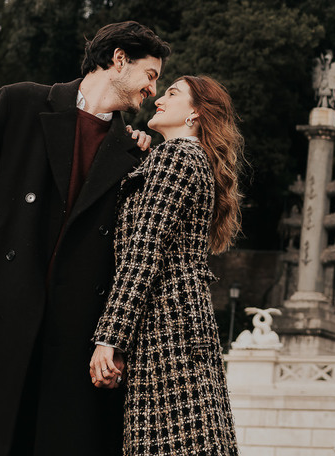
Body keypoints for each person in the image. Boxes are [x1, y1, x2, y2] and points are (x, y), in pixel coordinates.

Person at [0, 21, 170, 456]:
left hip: (68, 337)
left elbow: (135, 246)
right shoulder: (20, 102)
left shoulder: (133, 151)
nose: (152, 90)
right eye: (150, 75)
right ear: (119, 59)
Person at [89, 75, 242, 455]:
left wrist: (110, 338)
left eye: (171, 93)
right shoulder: (183, 159)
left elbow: (143, 250)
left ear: (194, 113)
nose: (158, 99)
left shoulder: (176, 157)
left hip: (166, 325)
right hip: (179, 322)